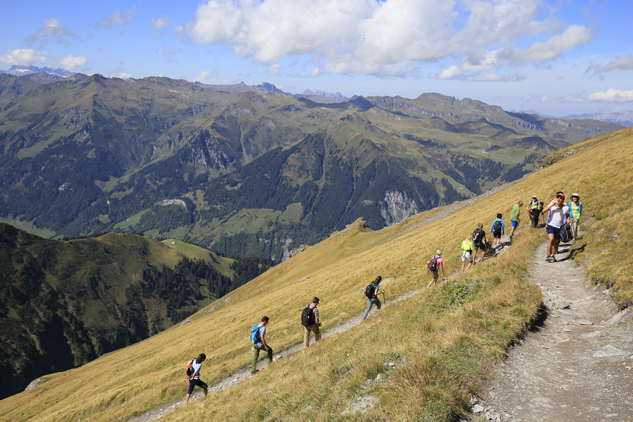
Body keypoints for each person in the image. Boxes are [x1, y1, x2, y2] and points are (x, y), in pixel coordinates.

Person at [542, 192, 570, 262]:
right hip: (551, 225)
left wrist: (568, 219)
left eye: (561, 198)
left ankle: (552, 255)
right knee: (551, 239)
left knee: (556, 242)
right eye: (558, 197)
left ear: (563, 199)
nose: (559, 199)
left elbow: (567, 215)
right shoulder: (553, 206)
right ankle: (548, 255)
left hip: (559, 227)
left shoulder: (566, 208)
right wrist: (552, 204)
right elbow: (543, 211)